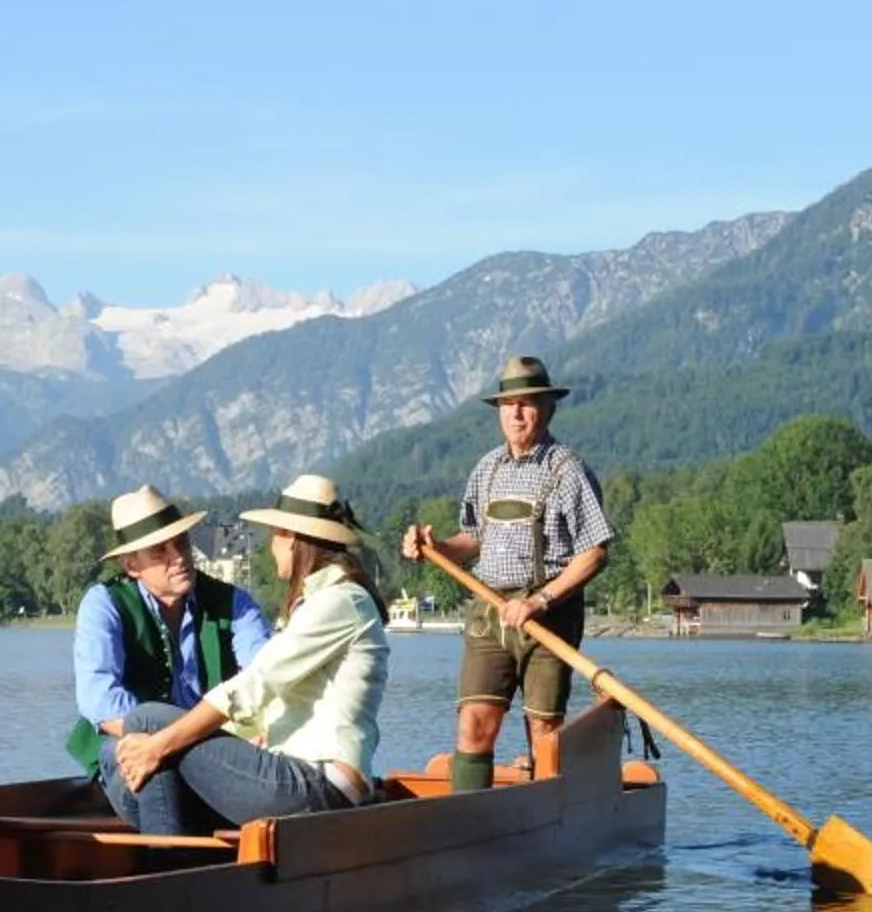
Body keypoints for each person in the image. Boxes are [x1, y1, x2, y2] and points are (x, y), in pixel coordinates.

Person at [112, 473, 389, 827]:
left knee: (147, 721)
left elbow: (254, 683)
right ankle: (174, 861)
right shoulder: (330, 600)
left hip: (318, 785)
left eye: (276, 534)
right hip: (308, 779)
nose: (271, 544)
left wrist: (158, 746)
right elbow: (271, 696)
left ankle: (168, 866)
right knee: (150, 772)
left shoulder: (339, 601)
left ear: (292, 539)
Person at [401, 354, 613, 790]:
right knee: (474, 722)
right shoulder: (487, 469)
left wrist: (540, 601)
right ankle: (468, 819)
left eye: (528, 403)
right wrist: (435, 547)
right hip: (490, 613)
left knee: (545, 731)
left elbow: (594, 552)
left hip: (548, 615)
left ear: (548, 408)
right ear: (498, 411)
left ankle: (546, 815)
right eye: (508, 404)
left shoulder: (569, 470)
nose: (516, 413)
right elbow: (473, 539)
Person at [71, 485, 273, 836]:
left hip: (214, 752)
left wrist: (250, 731)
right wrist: (176, 740)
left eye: (181, 543)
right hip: (129, 754)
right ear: (131, 565)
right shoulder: (104, 604)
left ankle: (169, 873)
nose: (178, 556)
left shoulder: (234, 603)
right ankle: (170, 870)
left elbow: (268, 676)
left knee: (161, 755)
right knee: (153, 762)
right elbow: (99, 701)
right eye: (159, 551)